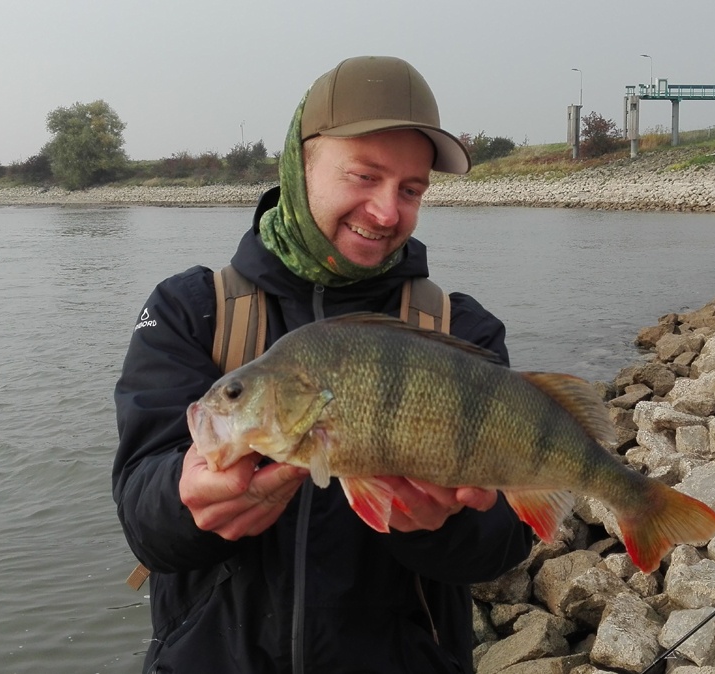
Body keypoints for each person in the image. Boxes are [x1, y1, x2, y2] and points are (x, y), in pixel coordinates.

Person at [112, 55, 533, 674]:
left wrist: (436, 526)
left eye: (411, 190)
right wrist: (184, 500)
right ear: (298, 165)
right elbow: (142, 516)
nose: (387, 212)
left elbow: (502, 541)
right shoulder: (192, 310)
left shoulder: (459, 330)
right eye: (364, 176)